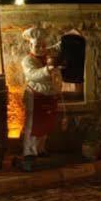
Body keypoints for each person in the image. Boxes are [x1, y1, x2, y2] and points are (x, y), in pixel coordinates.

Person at [20, 26, 61, 171]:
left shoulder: (47, 55)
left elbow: (58, 47)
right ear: (30, 45)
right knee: (33, 125)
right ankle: (29, 153)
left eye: (43, 45)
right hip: (35, 96)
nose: (41, 48)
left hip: (48, 96)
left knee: (45, 124)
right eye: (37, 46)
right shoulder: (27, 61)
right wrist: (47, 70)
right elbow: (32, 75)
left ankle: (40, 149)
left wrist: (69, 38)